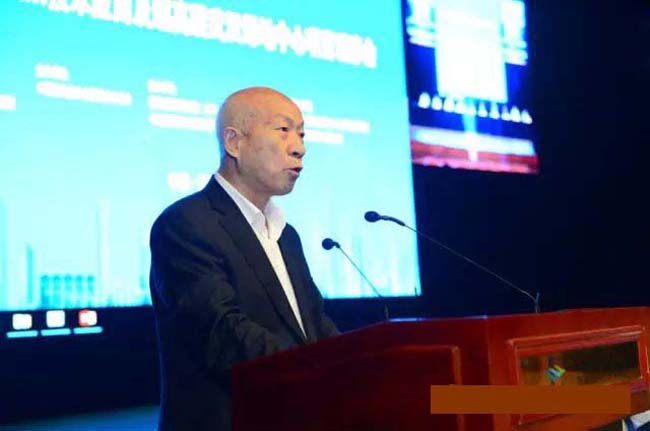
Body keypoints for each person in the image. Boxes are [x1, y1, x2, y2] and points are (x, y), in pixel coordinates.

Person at [149, 87, 340, 431]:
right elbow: (224, 335)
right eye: (284, 130)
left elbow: (313, 325)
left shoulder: (286, 235)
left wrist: (357, 364)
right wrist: (315, 371)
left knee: (442, 400)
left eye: (301, 133)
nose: (299, 147)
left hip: (296, 418)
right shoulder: (186, 224)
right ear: (234, 143)